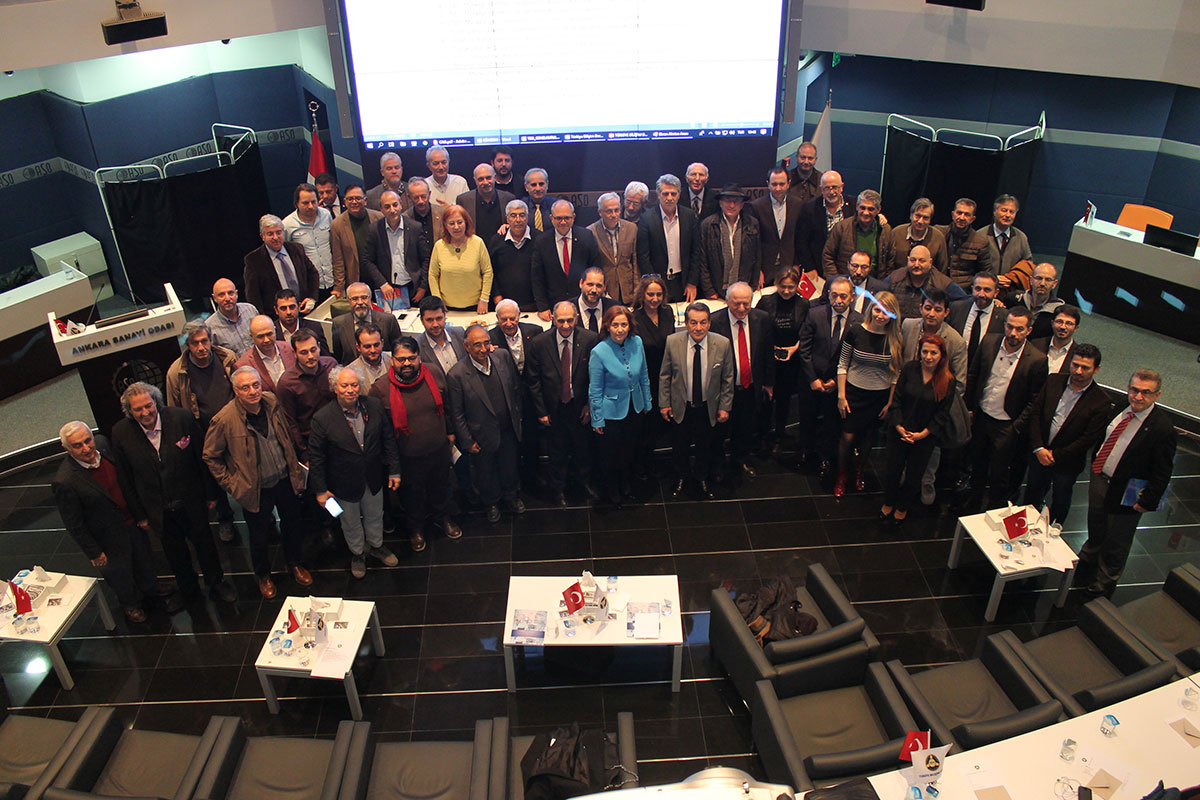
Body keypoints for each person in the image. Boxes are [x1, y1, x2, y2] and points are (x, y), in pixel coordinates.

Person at [111, 383, 235, 604]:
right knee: (175, 554)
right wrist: (140, 514)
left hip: (191, 501)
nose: (145, 412)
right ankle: (189, 591)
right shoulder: (121, 433)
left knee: (205, 546)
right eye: (138, 409)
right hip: (157, 509)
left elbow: (202, 458)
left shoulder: (181, 418)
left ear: (156, 402)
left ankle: (216, 583)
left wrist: (211, 494)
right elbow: (125, 477)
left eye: (148, 406)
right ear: (130, 412)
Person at [203, 365, 311, 598]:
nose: (252, 391)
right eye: (245, 388)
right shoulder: (224, 420)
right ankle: (263, 575)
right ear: (235, 390)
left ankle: (294, 563)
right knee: (259, 535)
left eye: (255, 385)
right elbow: (210, 456)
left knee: (292, 524)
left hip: (284, 478)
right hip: (255, 488)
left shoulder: (271, 402)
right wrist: (232, 484)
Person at [54, 421, 175, 623]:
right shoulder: (65, 481)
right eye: (77, 445)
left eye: (87, 440)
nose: (86, 448)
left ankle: (150, 588)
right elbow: (74, 524)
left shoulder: (103, 446)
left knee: (144, 559)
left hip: (131, 523)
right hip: (107, 538)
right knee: (120, 573)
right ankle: (130, 604)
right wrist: (94, 552)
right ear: (66, 448)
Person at [1081, 368, 1176, 596]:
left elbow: (1162, 472)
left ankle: (1106, 577)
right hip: (1100, 478)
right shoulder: (1121, 406)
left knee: (1118, 537)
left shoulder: (1162, 429)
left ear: (1157, 395)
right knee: (1096, 522)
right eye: (1134, 390)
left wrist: (1147, 501)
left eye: (1146, 392)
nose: (1138, 396)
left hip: (1128, 490)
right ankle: (1090, 554)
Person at [369, 337, 462, 551]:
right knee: (412, 495)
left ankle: (443, 518)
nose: (407, 363)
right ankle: (416, 529)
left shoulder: (434, 373)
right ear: (392, 360)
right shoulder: (380, 388)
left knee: (440, 488)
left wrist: (450, 432)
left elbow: (446, 406)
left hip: (438, 449)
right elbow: (381, 431)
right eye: (401, 359)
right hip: (407, 456)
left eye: (411, 358)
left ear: (419, 357)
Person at [309, 366, 401, 578]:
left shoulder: (374, 406)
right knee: (349, 521)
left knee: (375, 515)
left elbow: (388, 440)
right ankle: (358, 553)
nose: (350, 390)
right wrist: (320, 490)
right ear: (335, 388)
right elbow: (316, 458)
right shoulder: (322, 418)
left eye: (354, 385)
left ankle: (377, 545)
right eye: (344, 385)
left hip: (373, 477)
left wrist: (395, 470)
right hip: (342, 483)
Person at [964, 307, 1047, 508]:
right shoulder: (989, 342)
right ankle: (972, 503)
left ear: (1029, 330)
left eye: (1019, 329)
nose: (1013, 333)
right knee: (977, 464)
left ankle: (993, 509)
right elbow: (973, 375)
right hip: (982, 416)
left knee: (999, 473)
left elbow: (1035, 400)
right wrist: (970, 408)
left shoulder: (1037, 359)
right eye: (1010, 327)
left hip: (1006, 424)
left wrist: (1016, 427)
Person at [1020, 344, 1111, 524]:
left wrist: (1054, 455)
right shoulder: (1053, 381)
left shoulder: (1101, 401)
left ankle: (1054, 530)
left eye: (1085, 367)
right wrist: (1039, 448)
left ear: (1096, 369)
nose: (1078, 371)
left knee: (1061, 498)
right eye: (1075, 365)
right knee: (1032, 493)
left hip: (1067, 462)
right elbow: (1036, 413)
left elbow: (1088, 439)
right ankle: (1024, 526)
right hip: (1040, 453)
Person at [165, 318, 239, 542]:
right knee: (215, 479)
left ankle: (261, 517)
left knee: (244, 471)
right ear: (187, 345)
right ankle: (225, 518)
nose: (201, 347)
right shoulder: (176, 373)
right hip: (204, 435)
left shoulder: (227, 358)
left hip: (234, 428)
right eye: (195, 343)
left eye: (204, 341)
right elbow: (173, 411)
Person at [447, 324, 524, 523]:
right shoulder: (457, 374)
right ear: (467, 347)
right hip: (480, 435)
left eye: (486, 343)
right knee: (486, 473)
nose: (483, 349)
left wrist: (518, 417)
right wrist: (467, 441)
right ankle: (491, 503)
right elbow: (457, 413)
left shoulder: (502, 357)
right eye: (477, 345)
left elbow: (515, 388)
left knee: (509, 467)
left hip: (507, 429)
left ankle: (511, 497)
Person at [525, 302, 599, 505]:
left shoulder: (590, 339)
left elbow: (596, 376)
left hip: (580, 406)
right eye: (561, 321)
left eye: (569, 320)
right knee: (556, 451)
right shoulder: (539, 343)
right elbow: (533, 380)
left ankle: (583, 484)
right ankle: (558, 489)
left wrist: (590, 405)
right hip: (554, 408)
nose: (565, 325)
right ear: (553, 320)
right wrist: (541, 411)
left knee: (582, 449)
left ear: (577, 318)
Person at [659, 302, 735, 499]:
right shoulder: (673, 342)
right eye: (693, 322)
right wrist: (664, 404)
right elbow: (665, 375)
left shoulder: (722, 344)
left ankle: (701, 477)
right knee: (680, 446)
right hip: (681, 406)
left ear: (709, 323)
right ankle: (682, 477)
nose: (698, 327)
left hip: (708, 407)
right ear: (686, 323)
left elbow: (728, 379)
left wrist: (725, 407)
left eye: (703, 322)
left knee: (704, 446)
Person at [879, 334, 955, 524]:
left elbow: (942, 413)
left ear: (941, 355)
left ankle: (902, 507)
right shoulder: (909, 369)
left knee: (914, 476)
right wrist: (898, 426)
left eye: (933, 353)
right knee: (892, 471)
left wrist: (923, 434)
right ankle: (888, 502)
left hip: (924, 437)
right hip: (899, 430)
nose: (928, 357)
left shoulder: (947, 379)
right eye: (925, 351)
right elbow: (897, 399)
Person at [835, 290, 902, 497]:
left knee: (868, 438)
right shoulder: (856, 331)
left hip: (879, 397)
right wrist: (841, 396)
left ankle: (859, 471)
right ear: (871, 309)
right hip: (854, 394)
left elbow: (895, 373)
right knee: (847, 437)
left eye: (886, 312)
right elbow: (843, 365)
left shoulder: (895, 338)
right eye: (878, 310)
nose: (881, 316)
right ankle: (841, 475)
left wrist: (889, 402)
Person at [589, 306, 652, 508]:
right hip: (611, 412)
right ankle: (612, 490)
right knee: (611, 455)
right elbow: (595, 389)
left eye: (624, 324)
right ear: (607, 326)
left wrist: (647, 401)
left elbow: (643, 374)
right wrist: (597, 419)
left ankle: (626, 484)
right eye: (615, 325)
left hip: (635, 407)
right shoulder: (599, 352)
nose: (620, 329)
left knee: (629, 450)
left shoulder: (637, 342)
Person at [710, 282, 774, 478]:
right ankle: (717, 464)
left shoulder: (762, 319)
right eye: (736, 303)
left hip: (750, 386)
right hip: (723, 389)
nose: (741, 308)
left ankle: (740, 459)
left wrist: (768, 383)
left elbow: (767, 353)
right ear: (727, 301)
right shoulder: (715, 321)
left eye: (746, 303)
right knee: (719, 430)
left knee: (745, 427)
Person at [798, 276, 861, 476]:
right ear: (828, 295)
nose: (838, 300)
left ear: (852, 296)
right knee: (807, 418)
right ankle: (805, 452)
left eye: (843, 296)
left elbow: (856, 357)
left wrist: (837, 381)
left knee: (831, 423)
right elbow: (804, 350)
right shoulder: (814, 314)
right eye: (834, 295)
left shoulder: (859, 321)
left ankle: (825, 457)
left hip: (838, 383)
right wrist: (812, 379)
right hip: (812, 380)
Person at [756, 268, 810, 456]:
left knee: (784, 400)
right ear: (776, 284)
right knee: (766, 399)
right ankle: (762, 436)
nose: (786, 291)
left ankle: (779, 434)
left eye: (791, 287)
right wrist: (770, 350)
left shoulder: (804, 304)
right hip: (768, 359)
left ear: (797, 286)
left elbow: (807, 332)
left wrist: (795, 348)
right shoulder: (766, 302)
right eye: (783, 286)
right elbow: (758, 329)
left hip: (791, 360)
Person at [490, 299, 543, 483]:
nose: (508, 323)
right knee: (511, 442)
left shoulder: (535, 332)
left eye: (512, 318)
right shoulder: (490, 338)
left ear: (519, 316)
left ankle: (533, 475)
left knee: (532, 437)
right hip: (506, 400)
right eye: (503, 319)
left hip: (531, 396)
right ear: (497, 318)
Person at [631, 275, 675, 478]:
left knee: (663, 422)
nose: (655, 299)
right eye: (650, 294)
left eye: (659, 294)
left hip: (667, 377)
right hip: (646, 378)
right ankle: (642, 465)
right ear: (642, 294)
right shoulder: (634, 318)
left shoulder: (668, 313)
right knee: (645, 425)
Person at [275, 327, 339, 463]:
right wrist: (304, 455)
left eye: (313, 350)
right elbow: (291, 423)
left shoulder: (331, 365)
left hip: (338, 435)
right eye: (304, 352)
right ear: (294, 353)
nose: (310, 356)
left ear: (319, 347)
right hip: (312, 443)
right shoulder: (287, 383)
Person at [637, 174, 701, 304]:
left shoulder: (689, 216)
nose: (670, 198)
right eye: (665, 194)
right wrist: (653, 284)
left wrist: (692, 283)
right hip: (657, 282)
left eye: (673, 194)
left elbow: (696, 252)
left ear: (679, 194)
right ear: (658, 194)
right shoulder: (647, 219)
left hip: (684, 282)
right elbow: (643, 256)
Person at [361, 189, 430, 309]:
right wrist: (382, 284)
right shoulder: (375, 230)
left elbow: (425, 259)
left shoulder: (415, 227)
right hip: (388, 288)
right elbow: (367, 260)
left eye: (395, 205)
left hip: (413, 288)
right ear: (381, 209)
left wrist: (423, 287)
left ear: (401, 205)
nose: (392, 210)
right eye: (387, 207)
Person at [531, 199, 599, 319]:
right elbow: (537, 277)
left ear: (573, 217)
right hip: (553, 307)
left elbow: (595, 269)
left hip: (583, 304)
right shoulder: (542, 241)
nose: (563, 222)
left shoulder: (586, 236)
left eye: (567, 218)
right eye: (558, 218)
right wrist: (542, 307)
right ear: (551, 218)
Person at [243, 214, 320, 315]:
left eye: (278, 232)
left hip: (303, 309)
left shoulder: (297, 249)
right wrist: (263, 319)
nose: (275, 237)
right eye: (270, 234)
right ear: (262, 236)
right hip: (275, 317)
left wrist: (312, 297)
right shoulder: (254, 260)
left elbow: (313, 273)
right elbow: (253, 296)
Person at [698, 184, 761, 300]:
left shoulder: (752, 223)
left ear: (742, 204)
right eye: (727, 200)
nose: (732, 205)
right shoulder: (708, 225)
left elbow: (757, 257)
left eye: (736, 201)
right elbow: (703, 260)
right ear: (720, 203)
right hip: (717, 290)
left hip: (744, 287)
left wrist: (752, 286)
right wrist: (709, 290)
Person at [899, 289, 967, 395]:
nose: (931, 314)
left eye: (938, 310)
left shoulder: (956, 342)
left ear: (946, 312)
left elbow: (959, 384)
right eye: (928, 308)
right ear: (921, 308)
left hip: (935, 396)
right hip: (905, 391)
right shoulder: (907, 326)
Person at [428, 204, 492, 313]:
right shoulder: (439, 246)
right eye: (451, 223)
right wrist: (438, 300)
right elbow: (433, 275)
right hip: (447, 308)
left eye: (460, 222)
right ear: (445, 225)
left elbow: (487, 271)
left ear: (466, 222)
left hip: (476, 307)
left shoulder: (478, 242)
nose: (456, 227)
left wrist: (484, 299)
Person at [823, 190, 893, 279]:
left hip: (875, 284)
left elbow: (890, 261)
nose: (866, 212)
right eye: (862, 208)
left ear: (878, 210)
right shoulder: (842, 227)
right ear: (857, 206)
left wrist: (884, 283)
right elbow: (828, 255)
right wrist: (836, 280)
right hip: (845, 283)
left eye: (871, 209)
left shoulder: (885, 230)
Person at [750, 167, 802, 287]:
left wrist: (796, 264)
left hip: (789, 265)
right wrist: (757, 270)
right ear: (768, 184)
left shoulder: (798, 204)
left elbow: (800, 238)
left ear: (788, 183)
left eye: (782, 184)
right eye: (774, 184)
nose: (778, 188)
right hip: (765, 268)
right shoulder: (756, 207)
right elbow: (754, 242)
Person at [283, 182, 335, 302]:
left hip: (331, 280)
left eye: (313, 202)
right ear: (297, 203)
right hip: (309, 286)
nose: (311, 206)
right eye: (305, 203)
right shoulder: (287, 225)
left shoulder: (326, 215)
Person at [885, 244, 967, 321]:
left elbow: (965, 303)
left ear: (930, 262)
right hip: (896, 328)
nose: (916, 265)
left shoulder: (942, 283)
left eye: (922, 261)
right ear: (908, 260)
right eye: (913, 260)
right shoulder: (895, 278)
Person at [331, 183, 384, 296]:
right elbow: (338, 260)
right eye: (350, 199)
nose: (354, 202)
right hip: (356, 280)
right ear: (345, 202)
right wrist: (339, 287)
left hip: (381, 279)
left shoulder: (379, 218)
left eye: (358, 198)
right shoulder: (337, 225)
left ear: (365, 200)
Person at [331, 281, 402, 363]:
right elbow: (338, 356)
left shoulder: (388, 320)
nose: (360, 302)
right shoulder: (338, 323)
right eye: (355, 299)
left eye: (364, 297)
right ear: (348, 301)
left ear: (370, 298)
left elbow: (398, 351)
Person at [587, 192, 639, 304]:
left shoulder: (632, 228)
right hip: (605, 289)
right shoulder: (590, 232)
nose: (614, 215)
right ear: (600, 212)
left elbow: (635, 261)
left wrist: (637, 289)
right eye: (609, 211)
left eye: (617, 210)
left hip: (628, 288)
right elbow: (591, 266)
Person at [796, 170, 850, 275]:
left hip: (847, 269)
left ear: (842, 187)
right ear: (821, 189)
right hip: (819, 269)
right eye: (827, 188)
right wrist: (809, 268)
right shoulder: (809, 208)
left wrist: (879, 217)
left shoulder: (853, 205)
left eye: (835, 187)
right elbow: (801, 242)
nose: (831, 192)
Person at [948, 271, 1008, 363]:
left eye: (987, 290)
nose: (981, 294)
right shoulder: (956, 308)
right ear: (972, 288)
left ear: (996, 293)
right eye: (978, 289)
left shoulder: (1003, 317)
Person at [489, 200, 537, 310]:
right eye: (513, 216)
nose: (518, 220)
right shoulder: (496, 241)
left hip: (534, 304)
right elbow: (491, 271)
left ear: (528, 217)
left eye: (522, 215)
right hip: (504, 305)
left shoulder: (539, 239)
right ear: (507, 218)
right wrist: (496, 296)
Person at [936, 197, 995, 288]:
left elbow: (986, 273)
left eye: (967, 215)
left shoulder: (980, 242)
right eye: (959, 213)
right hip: (936, 285)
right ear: (953, 214)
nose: (962, 218)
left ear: (973, 219)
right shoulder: (938, 233)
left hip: (963, 290)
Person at [235, 314, 296, 394]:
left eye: (269, 334)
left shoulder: (291, 348)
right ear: (252, 337)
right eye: (260, 336)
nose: (266, 340)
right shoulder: (243, 365)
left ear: (275, 330)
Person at [1004, 262, 1064, 340]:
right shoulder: (1013, 299)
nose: (1042, 283)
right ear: (1031, 280)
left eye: (1048, 280)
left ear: (1054, 284)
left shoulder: (1058, 311)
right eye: (1039, 278)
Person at [888, 198, 948, 275]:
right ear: (911, 215)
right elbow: (888, 264)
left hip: (927, 281)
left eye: (925, 218)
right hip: (897, 280)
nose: (920, 221)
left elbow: (942, 270)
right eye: (918, 216)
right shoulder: (896, 233)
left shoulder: (938, 238)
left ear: (930, 220)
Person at [416, 295, 468, 382]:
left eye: (439, 318)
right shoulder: (417, 347)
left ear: (445, 316)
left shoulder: (460, 333)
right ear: (422, 320)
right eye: (429, 320)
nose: (435, 324)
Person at [456, 162, 515, 238]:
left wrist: (508, 226)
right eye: (481, 179)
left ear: (495, 177)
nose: (485, 182)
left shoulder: (509, 199)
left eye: (488, 178)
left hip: (502, 244)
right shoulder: (463, 200)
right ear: (475, 180)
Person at [980, 194, 1032, 276]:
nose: (1008, 215)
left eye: (1012, 212)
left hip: (1010, 283)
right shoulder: (980, 235)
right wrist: (994, 278)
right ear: (995, 212)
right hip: (985, 282)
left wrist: (1011, 278)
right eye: (1004, 210)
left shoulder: (1021, 238)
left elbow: (1028, 265)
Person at [273, 289, 332, 357]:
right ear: (276, 310)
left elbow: (326, 358)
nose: (288, 312)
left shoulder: (314, 327)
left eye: (292, 307)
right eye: (283, 308)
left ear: (299, 307)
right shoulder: (271, 331)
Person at [208, 277, 257, 355]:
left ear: (236, 294)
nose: (227, 298)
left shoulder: (250, 310)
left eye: (230, 293)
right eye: (221, 295)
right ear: (215, 298)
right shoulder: (210, 326)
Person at [1030, 305, 1081, 374]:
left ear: (1076, 328)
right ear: (1052, 323)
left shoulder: (1078, 354)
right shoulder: (1035, 345)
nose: (1063, 327)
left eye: (1069, 323)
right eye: (1059, 321)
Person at [843, 250, 889, 316]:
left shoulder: (880, 289)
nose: (858, 272)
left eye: (864, 267)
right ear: (848, 265)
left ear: (870, 268)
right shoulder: (833, 283)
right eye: (855, 266)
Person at [574, 266, 617, 333]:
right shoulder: (568, 308)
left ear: (604, 287)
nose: (594, 290)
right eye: (590, 284)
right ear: (581, 283)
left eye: (598, 286)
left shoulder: (614, 307)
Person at [403, 177, 445, 243]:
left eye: (423, 196)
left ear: (429, 194)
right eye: (416, 198)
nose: (420, 201)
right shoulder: (405, 218)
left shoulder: (443, 213)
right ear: (409, 197)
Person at [521, 167, 557, 234]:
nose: (538, 188)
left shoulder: (557, 206)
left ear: (547, 185)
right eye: (533, 185)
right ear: (526, 187)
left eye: (541, 184)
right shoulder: (520, 206)